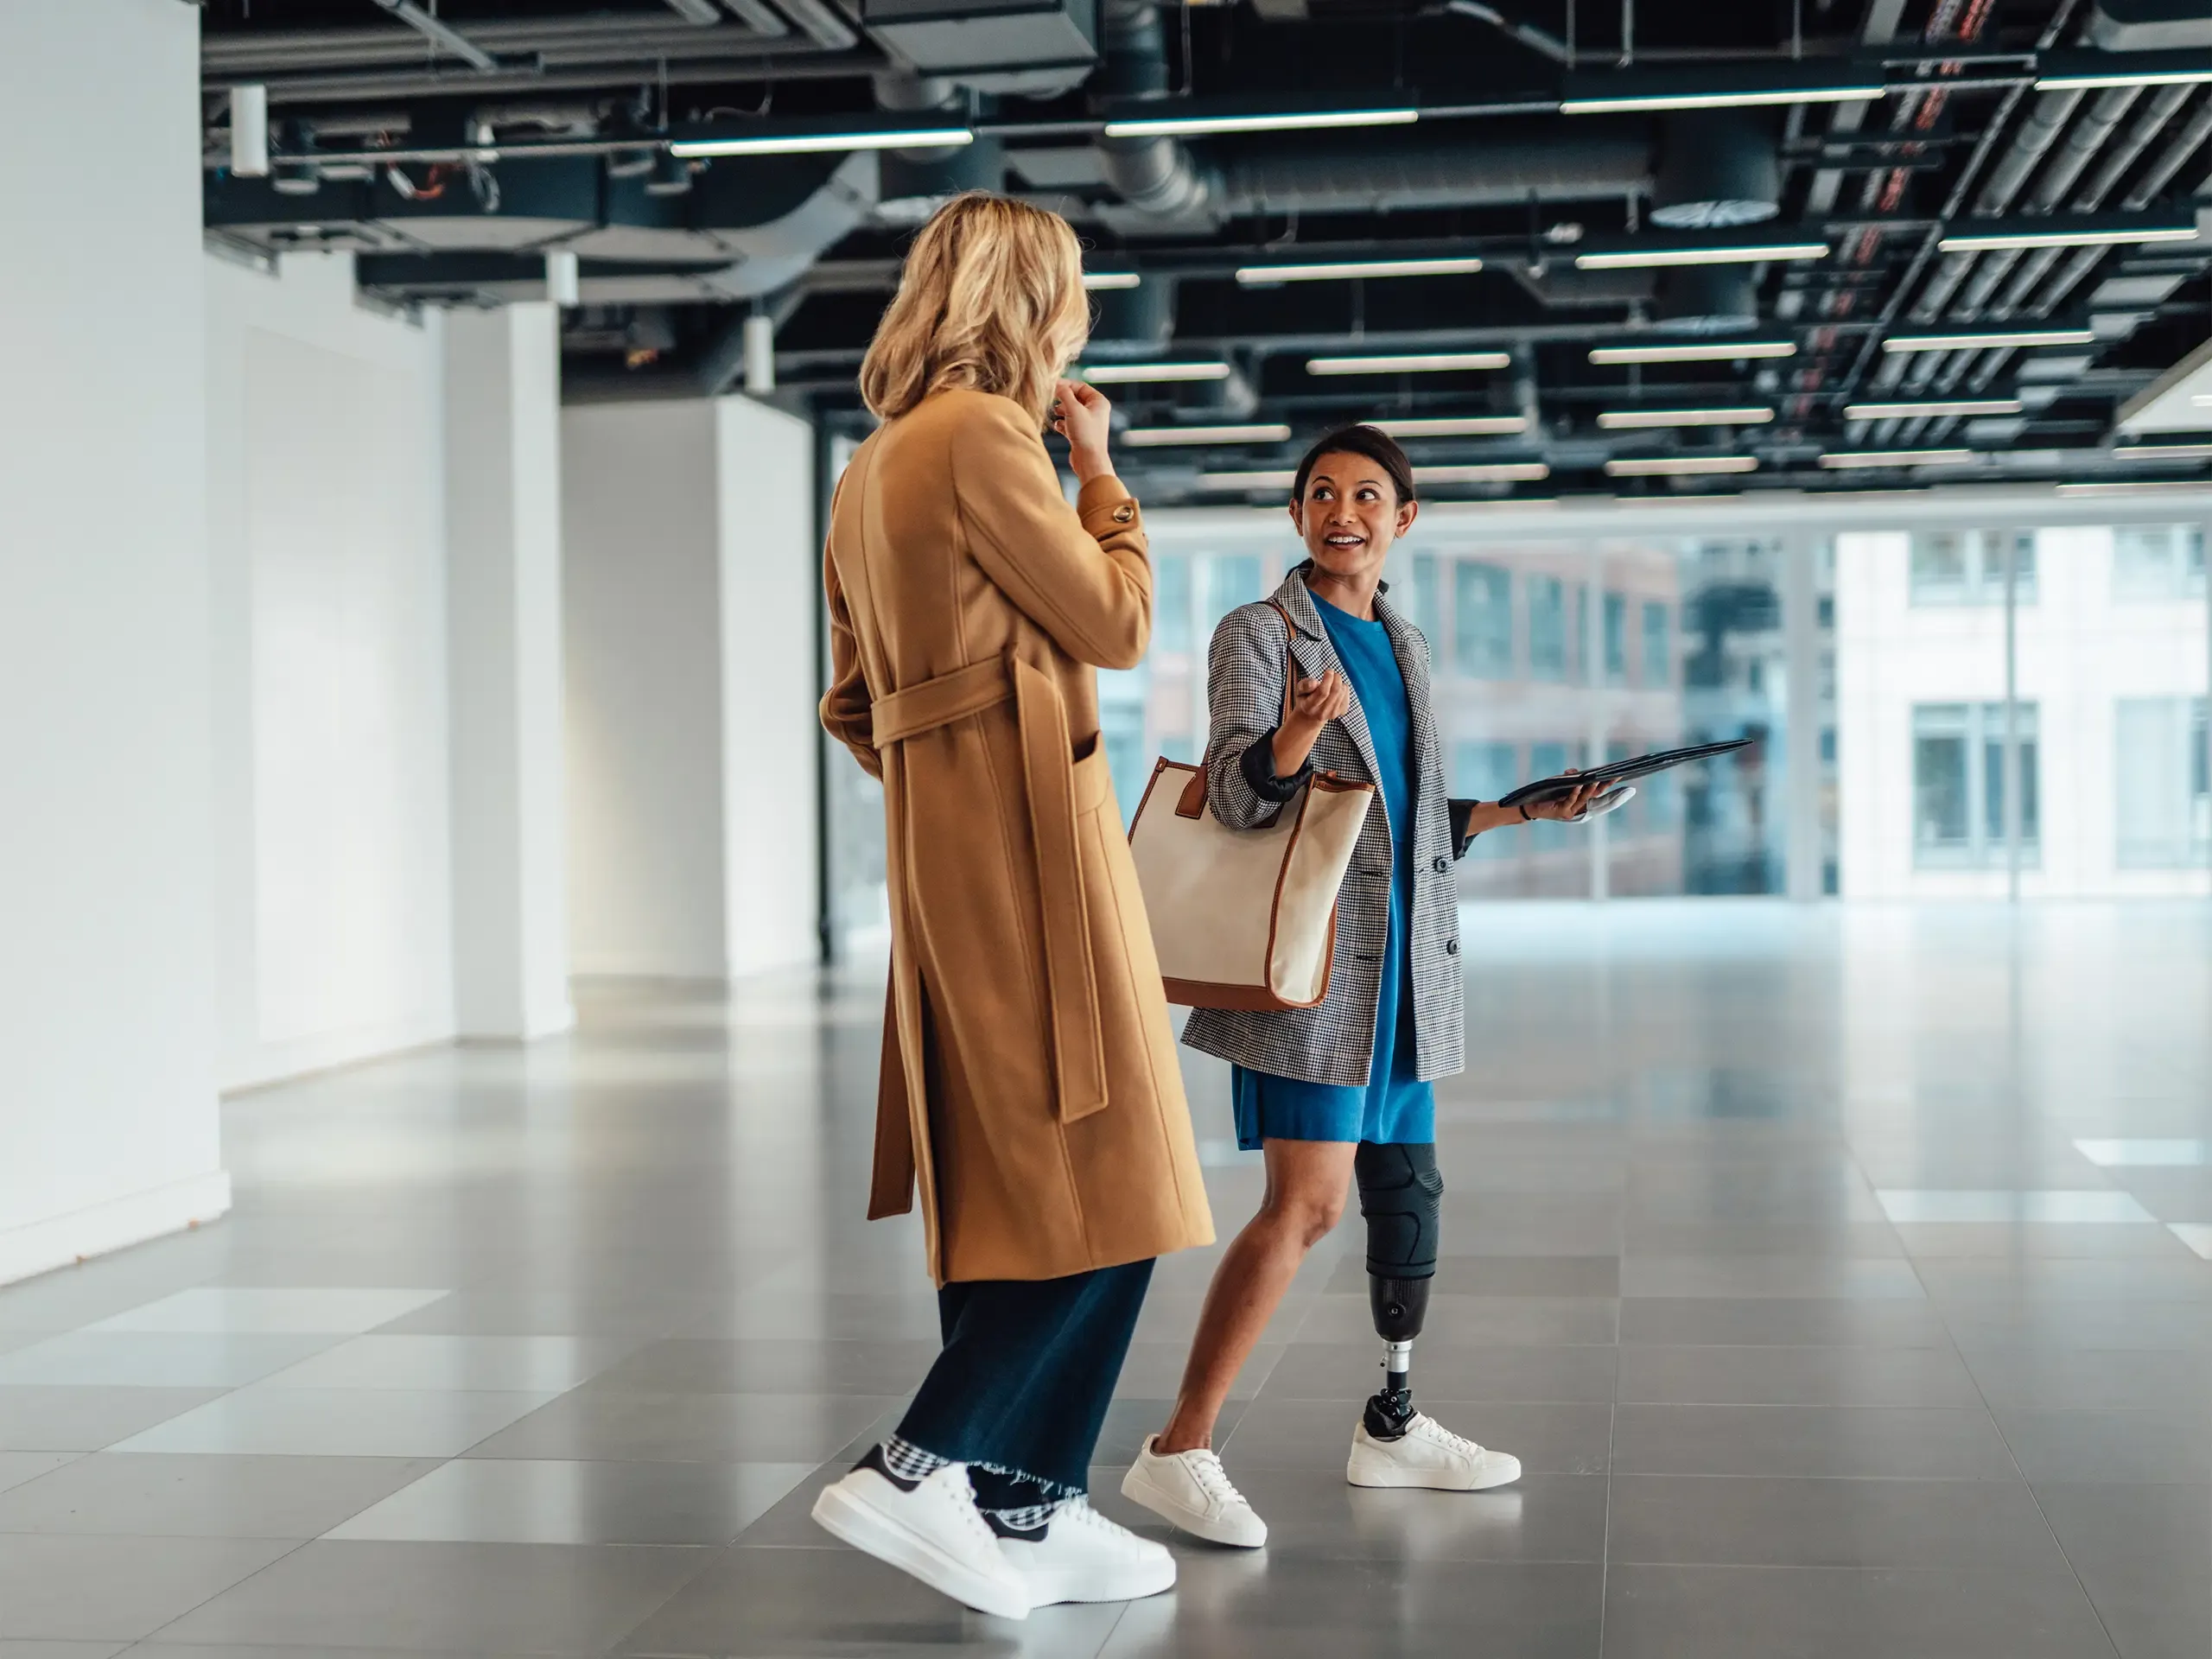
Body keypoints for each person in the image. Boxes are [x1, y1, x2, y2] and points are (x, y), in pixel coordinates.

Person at [810, 193, 1214, 1618]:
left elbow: (850, 701)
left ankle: (1027, 1503)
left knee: (1019, 1184)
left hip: (946, 850)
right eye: (1075, 298)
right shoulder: (988, 436)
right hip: (1037, 844)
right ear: (1033, 300)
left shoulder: (866, 472)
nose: (1080, 327)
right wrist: (1102, 475)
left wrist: (943, 768)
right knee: (1113, 1184)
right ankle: (922, 1466)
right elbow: (1113, 621)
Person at [1120, 424, 1599, 1547]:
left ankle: (1392, 1422)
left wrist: (1522, 809)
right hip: (1313, 974)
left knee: (1403, 1198)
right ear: (1298, 517)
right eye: (1323, 494)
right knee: (1307, 1207)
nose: (1345, 511)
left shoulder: (1407, 642)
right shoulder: (1259, 634)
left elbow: (1393, 822)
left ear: (1404, 518)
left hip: (1404, 978)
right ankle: (1179, 1447)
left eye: (1368, 495)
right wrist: (1288, 741)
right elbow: (1242, 807)